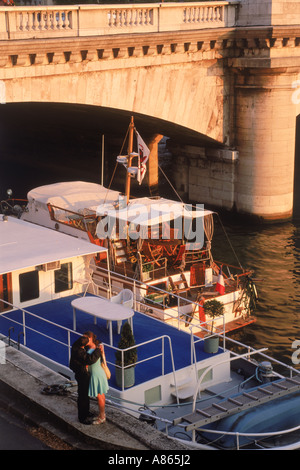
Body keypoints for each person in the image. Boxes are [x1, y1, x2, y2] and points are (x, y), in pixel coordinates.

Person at [69, 333, 102, 425]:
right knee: (83, 396)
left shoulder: (77, 345)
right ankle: (82, 417)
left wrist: (95, 344)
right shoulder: (78, 350)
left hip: (81, 373)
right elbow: (89, 359)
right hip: (81, 374)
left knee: (85, 395)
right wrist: (98, 351)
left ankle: (86, 413)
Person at [87, 338, 109, 425]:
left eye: (87, 339)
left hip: (96, 375)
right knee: (101, 395)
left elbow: (87, 360)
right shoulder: (98, 348)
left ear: (91, 340)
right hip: (99, 373)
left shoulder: (93, 349)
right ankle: (101, 414)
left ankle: (102, 417)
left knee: (99, 396)